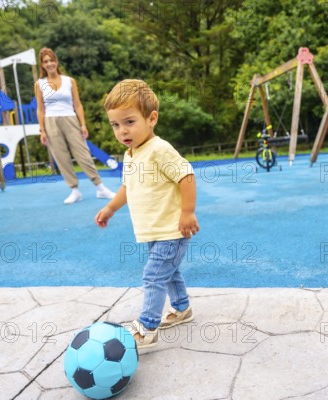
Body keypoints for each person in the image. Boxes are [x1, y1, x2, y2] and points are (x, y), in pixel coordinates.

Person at [95, 79, 200, 349]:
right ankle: (182, 308)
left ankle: (147, 327)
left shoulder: (159, 149)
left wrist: (187, 212)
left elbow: (186, 175)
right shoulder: (131, 155)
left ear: (151, 118)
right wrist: (110, 208)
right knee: (170, 272)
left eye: (129, 122)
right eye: (115, 125)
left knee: (154, 276)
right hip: (155, 231)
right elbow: (127, 187)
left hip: (172, 231)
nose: (122, 131)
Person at [35, 47, 115, 204]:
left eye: (52, 60)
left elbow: (78, 105)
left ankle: (100, 188)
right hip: (51, 122)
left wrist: (83, 125)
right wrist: (42, 130)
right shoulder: (40, 84)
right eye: (46, 61)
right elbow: (40, 108)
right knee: (61, 157)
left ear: (56, 62)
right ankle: (74, 190)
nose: (49, 63)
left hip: (71, 119)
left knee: (83, 154)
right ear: (42, 65)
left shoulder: (69, 81)